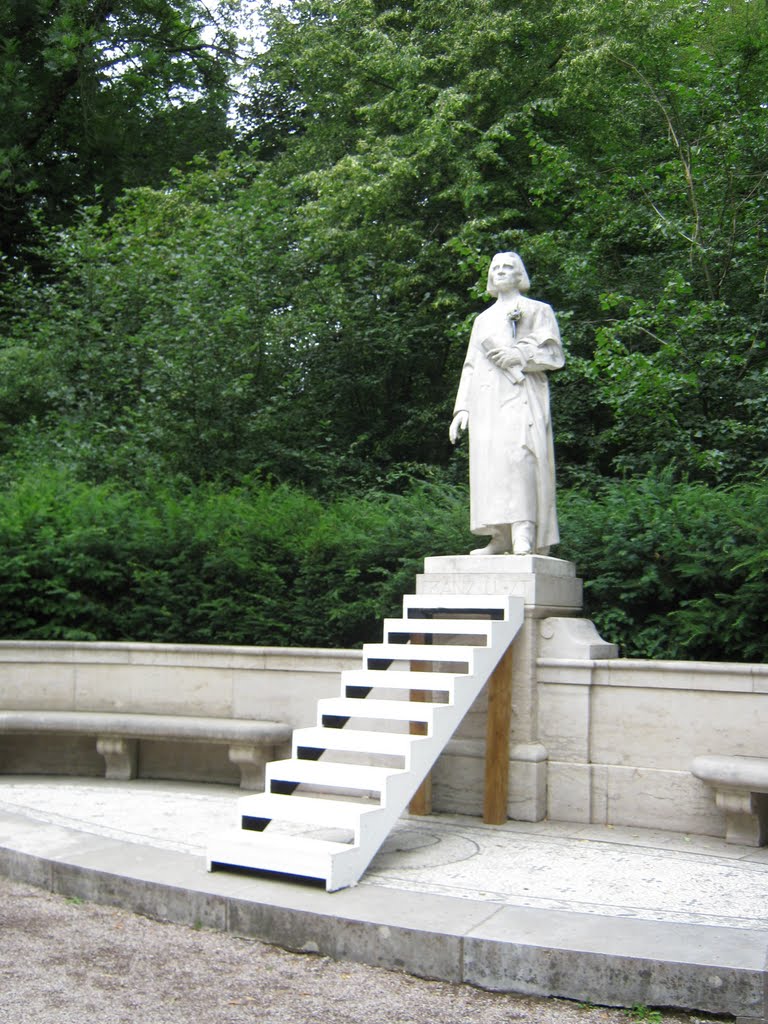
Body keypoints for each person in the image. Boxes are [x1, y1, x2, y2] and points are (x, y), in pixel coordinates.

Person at [449, 252, 564, 555]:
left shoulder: (538, 310)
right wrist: (462, 408)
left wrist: (521, 356)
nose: (501, 272)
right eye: (496, 268)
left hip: (521, 395)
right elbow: (471, 366)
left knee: (520, 458)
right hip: (486, 402)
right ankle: (500, 536)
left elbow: (554, 355)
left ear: (519, 275)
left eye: (507, 267)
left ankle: (524, 530)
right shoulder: (482, 320)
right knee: (490, 466)